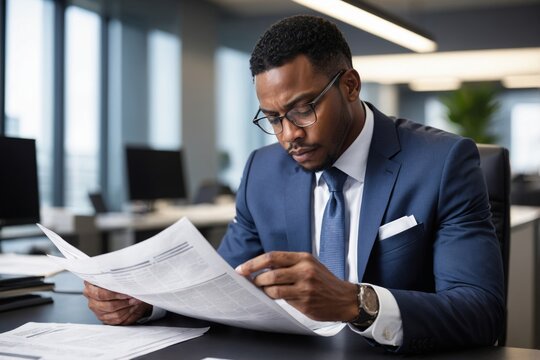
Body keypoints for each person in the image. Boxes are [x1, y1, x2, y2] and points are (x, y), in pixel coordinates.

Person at [84, 15, 504, 353]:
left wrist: (355, 302)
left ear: (350, 86)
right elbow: (224, 283)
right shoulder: (262, 171)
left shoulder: (442, 162)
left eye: (302, 110)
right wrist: (149, 302)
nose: (288, 135)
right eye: (272, 118)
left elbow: (482, 312)